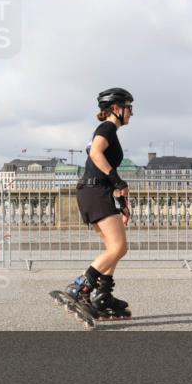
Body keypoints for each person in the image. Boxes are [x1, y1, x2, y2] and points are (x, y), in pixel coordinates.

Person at [65, 87, 134, 319]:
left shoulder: (110, 130)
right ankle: (80, 286)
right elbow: (96, 153)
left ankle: (103, 294)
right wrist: (117, 180)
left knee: (113, 249)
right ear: (116, 109)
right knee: (119, 248)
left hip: (95, 191)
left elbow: (100, 164)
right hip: (96, 191)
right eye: (129, 108)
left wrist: (123, 202)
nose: (132, 113)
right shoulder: (106, 128)